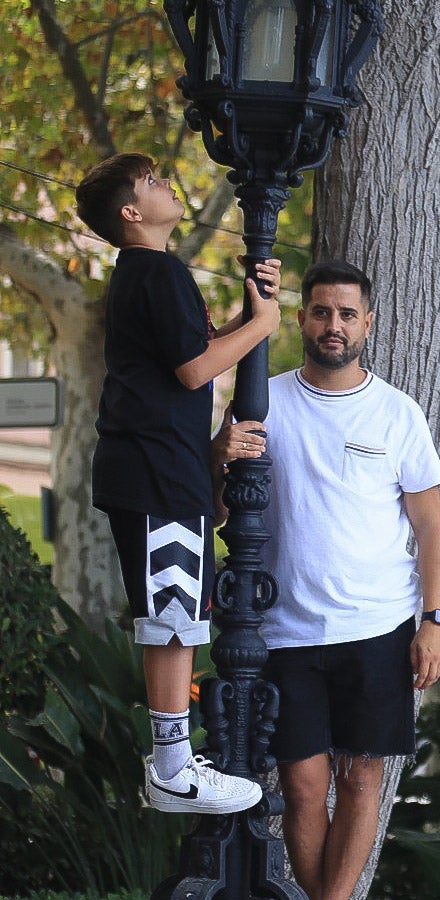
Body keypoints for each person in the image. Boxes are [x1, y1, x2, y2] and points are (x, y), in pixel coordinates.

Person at [216, 259, 440, 900]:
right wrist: (222, 458)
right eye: (320, 312)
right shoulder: (265, 400)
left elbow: (432, 530)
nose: (333, 326)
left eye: (347, 314)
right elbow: (223, 510)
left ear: (368, 323)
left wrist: (434, 622)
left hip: (378, 627)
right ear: (303, 319)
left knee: (361, 778)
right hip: (285, 630)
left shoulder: (397, 414)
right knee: (302, 784)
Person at [74, 153, 283, 817]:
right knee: (172, 619)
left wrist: (246, 315)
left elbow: (185, 357)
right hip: (156, 465)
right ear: (131, 213)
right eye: (152, 180)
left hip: (161, 464)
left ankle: (173, 761)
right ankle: (170, 767)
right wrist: (262, 327)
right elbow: (195, 372)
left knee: (179, 617)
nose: (168, 182)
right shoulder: (155, 270)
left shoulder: (149, 274)